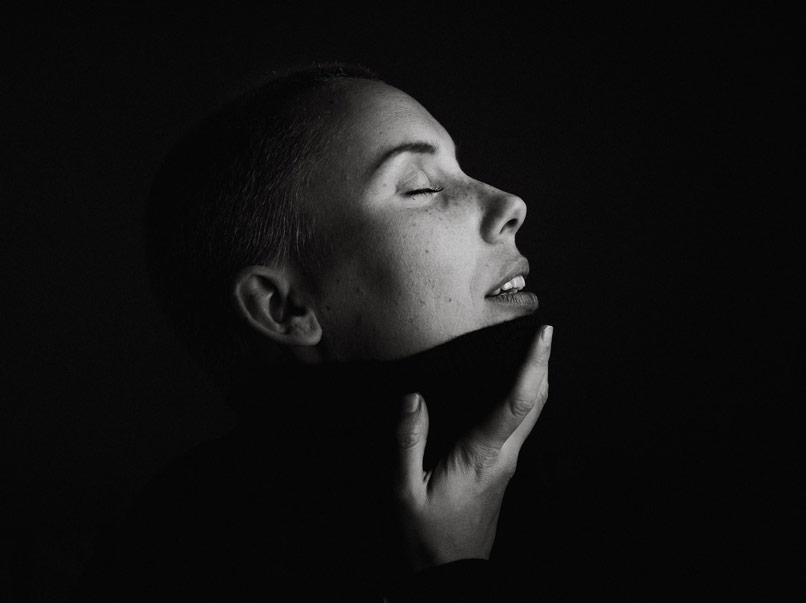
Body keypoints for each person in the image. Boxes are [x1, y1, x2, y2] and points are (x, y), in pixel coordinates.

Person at [71, 63, 553, 601]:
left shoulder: (536, 490)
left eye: (462, 171)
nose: (510, 204)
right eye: (420, 188)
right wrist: (452, 575)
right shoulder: (180, 559)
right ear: (286, 307)